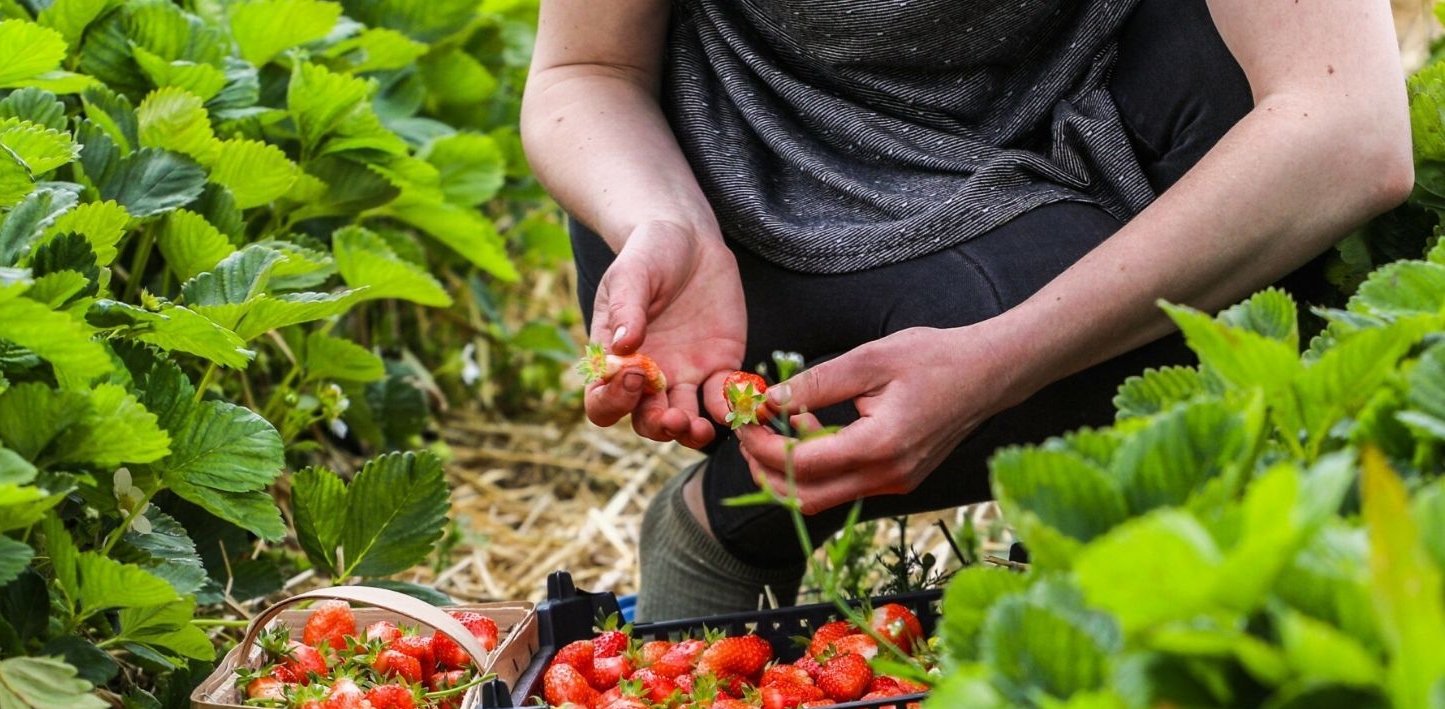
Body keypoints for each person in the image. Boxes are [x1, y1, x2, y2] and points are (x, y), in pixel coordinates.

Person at [522, 0, 1412, 621]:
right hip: (763, 196)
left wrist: (1004, 361)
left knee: (1287, 254)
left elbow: (1347, 128)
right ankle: (736, 526)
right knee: (1169, 327)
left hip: (1081, 127)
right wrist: (664, 219)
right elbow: (587, 68)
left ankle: (1082, 536)